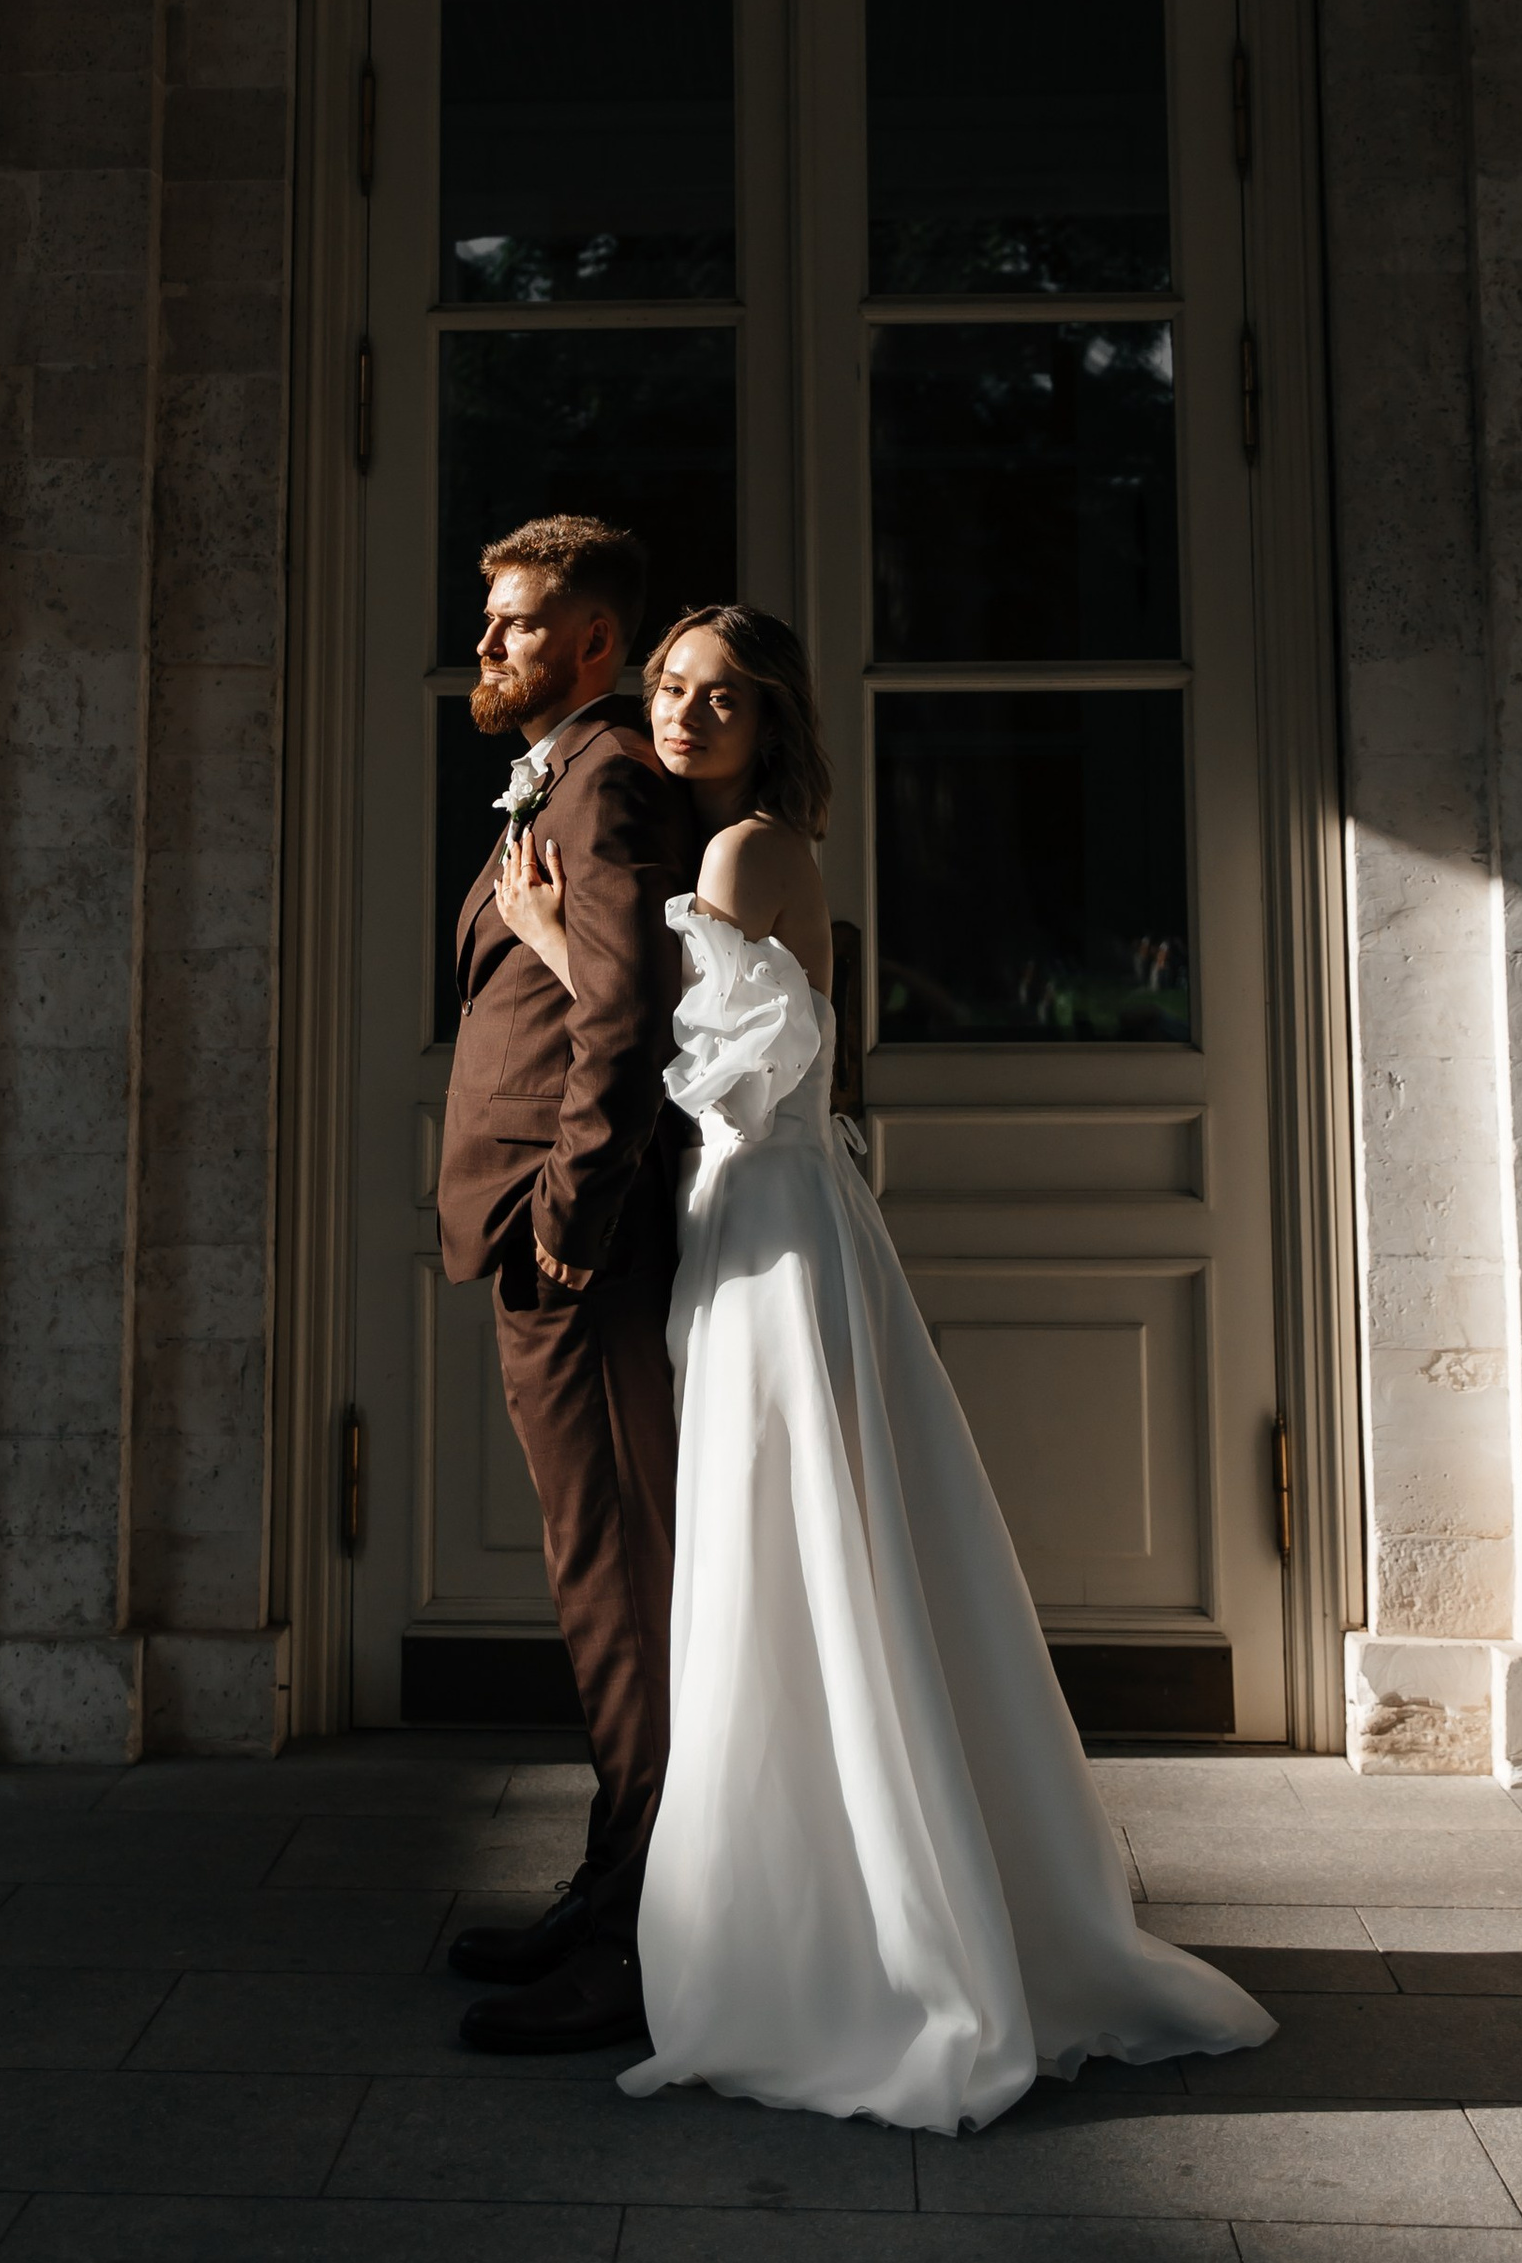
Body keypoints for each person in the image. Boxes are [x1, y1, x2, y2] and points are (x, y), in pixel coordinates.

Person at [493, 599, 1276, 2131]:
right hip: (775, 1213)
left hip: (769, 1224)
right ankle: (792, 1904)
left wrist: (546, 940)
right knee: (796, 1554)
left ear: (773, 718)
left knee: (784, 1555)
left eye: (721, 697)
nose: (682, 715)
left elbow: (703, 1073)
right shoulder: (747, 847)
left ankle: (817, 1949)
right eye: (669, 687)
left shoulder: (743, 854)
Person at [437, 514, 699, 2056]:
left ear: (594, 639)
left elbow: (627, 1012)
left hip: (572, 1245)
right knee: (598, 1577)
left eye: (518, 622)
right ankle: (611, 1888)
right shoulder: (566, 766)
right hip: (541, 1234)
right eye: (490, 619)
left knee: (621, 1590)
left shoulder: (604, 777)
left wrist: (574, 1209)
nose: (487, 643)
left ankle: (644, 1941)